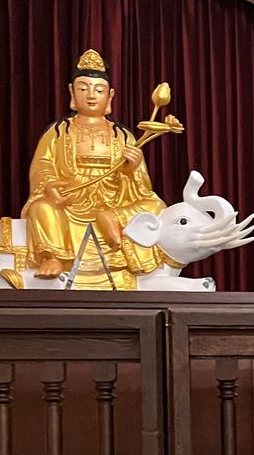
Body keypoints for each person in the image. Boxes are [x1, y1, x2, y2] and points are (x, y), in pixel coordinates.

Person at [21, 48, 167, 287]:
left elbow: (142, 187)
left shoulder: (123, 135)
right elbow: (43, 165)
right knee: (41, 208)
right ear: (72, 92)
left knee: (156, 206)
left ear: (110, 95)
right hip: (71, 199)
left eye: (99, 90)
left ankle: (111, 218)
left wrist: (131, 169)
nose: (91, 95)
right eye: (83, 89)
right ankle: (53, 256)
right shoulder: (58, 132)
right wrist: (49, 184)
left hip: (113, 200)